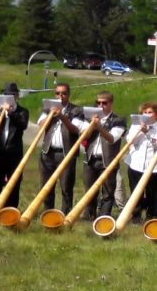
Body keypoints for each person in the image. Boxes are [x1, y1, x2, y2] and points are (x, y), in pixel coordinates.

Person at [36, 82, 86, 212]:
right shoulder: (48, 108)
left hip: (66, 153)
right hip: (48, 152)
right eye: (57, 93)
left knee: (66, 187)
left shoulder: (76, 110)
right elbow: (41, 125)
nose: (60, 96)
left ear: (68, 95)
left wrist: (62, 116)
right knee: (46, 186)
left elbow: (75, 129)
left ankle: (65, 214)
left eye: (63, 93)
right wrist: (50, 115)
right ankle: (47, 212)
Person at [78, 91, 127, 220]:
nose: (100, 105)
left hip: (108, 161)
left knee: (108, 192)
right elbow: (84, 136)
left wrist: (99, 127)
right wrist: (91, 125)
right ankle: (90, 216)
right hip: (90, 159)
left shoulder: (118, 120)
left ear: (111, 104)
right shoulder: (89, 117)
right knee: (89, 190)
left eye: (104, 103)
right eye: (98, 102)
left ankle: (104, 218)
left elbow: (112, 138)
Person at [0, 83, 30, 208]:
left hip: (14, 154)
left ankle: (10, 210)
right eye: (6, 95)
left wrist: (11, 113)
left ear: (17, 96)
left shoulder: (22, 111)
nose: (9, 97)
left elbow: (23, 125)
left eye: (11, 95)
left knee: (13, 183)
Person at [123, 104, 157, 220]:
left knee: (152, 193)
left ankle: (151, 216)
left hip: (153, 167)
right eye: (145, 112)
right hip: (136, 164)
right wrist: (140, 131)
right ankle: (136, 217)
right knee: (136, 193)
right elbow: (130, 140)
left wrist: (148, 132)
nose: (147, 115)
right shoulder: (135, 125)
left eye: (150, 112)